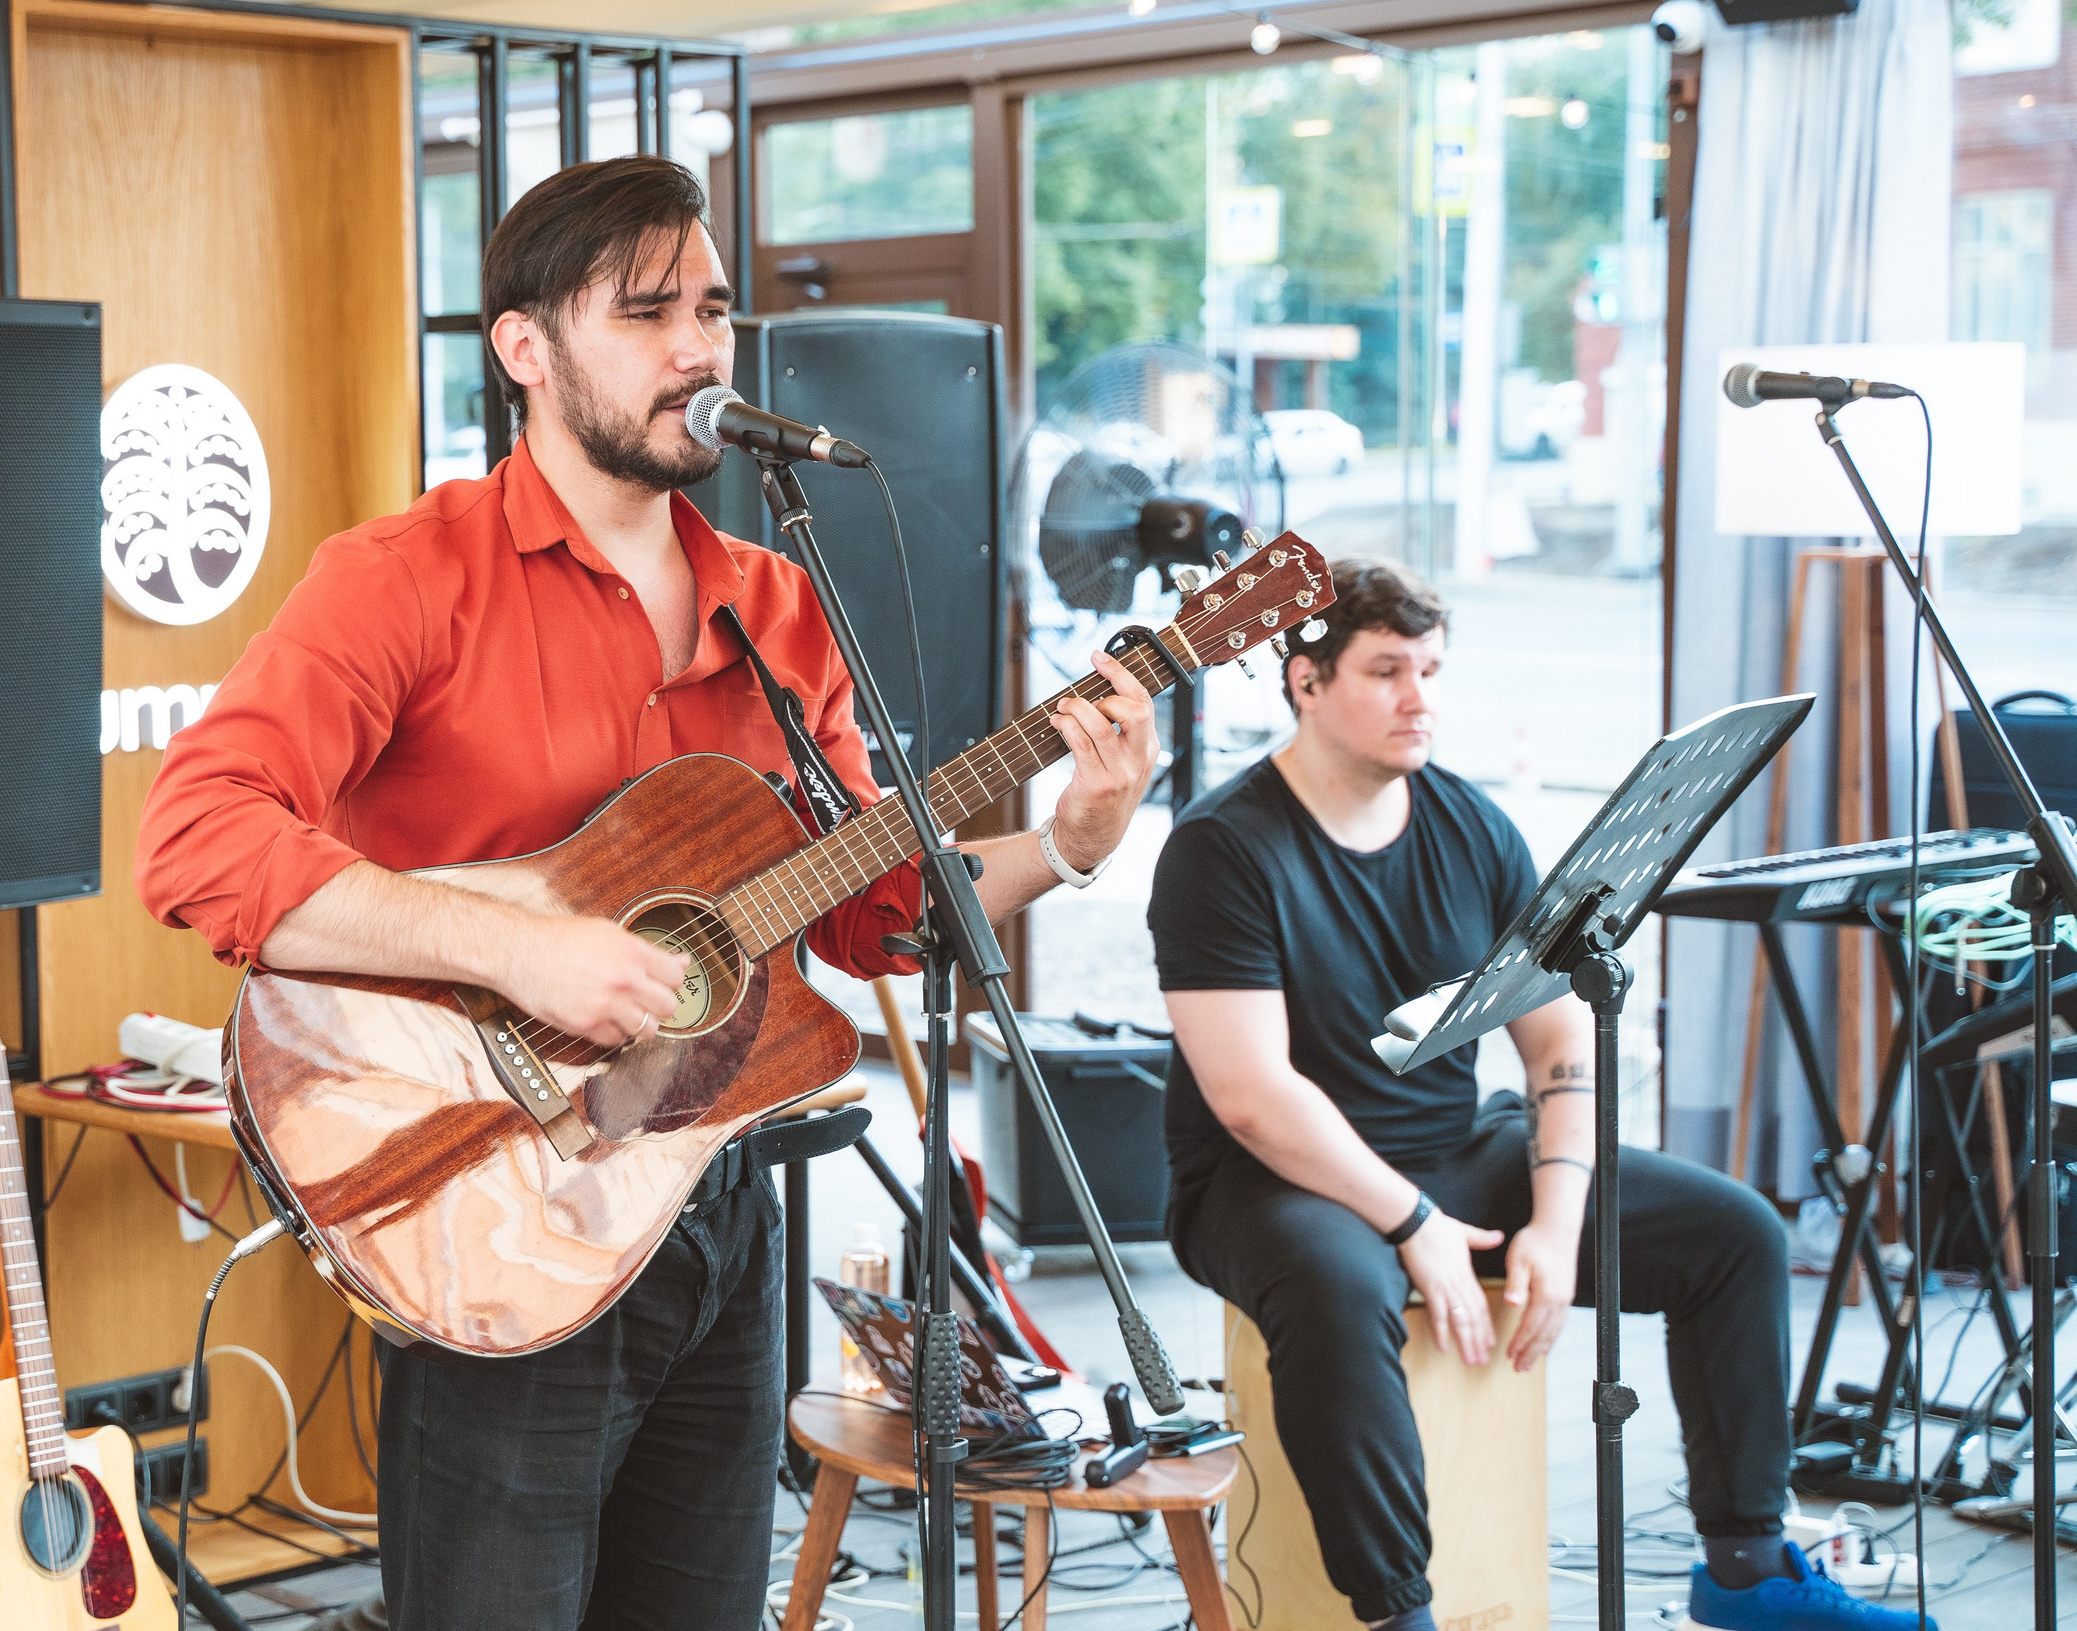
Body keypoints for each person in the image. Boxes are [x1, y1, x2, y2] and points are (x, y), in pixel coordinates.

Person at [135, 153, 1161, 1630]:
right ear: (526, 347)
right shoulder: (404, 579)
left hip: (715, 1183)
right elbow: (199, 834)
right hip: (490, 1185)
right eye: (646, 311)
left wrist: (1074, 833)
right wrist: (518, 947)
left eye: (715, 307)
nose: (696, 348)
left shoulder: (778, 599)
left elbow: (875, 908)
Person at [1149, 558, 1928, 1631]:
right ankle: (1394, 1613)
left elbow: (1561, 1039)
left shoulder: (1471, 828)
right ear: (1304, 681)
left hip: (1457, 1149)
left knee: (1733, 1234)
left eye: (1430, 669)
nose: (1419, 697)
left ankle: (1743, 1566)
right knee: (1339, 1289)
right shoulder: (1221, 846)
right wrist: (1410, 1221)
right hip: (1270, 1180)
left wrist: (1557, 1227)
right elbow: (1247, 1096)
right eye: (1386, 671)